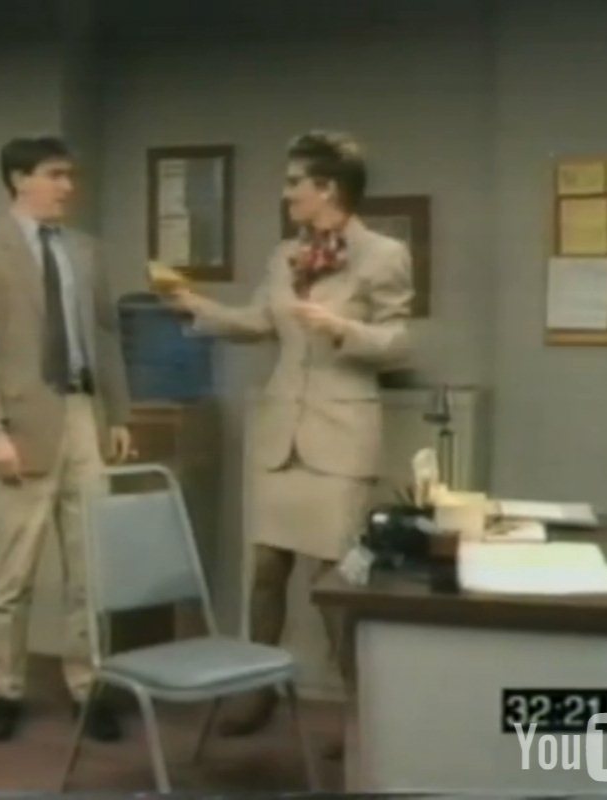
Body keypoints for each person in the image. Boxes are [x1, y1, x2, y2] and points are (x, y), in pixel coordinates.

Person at [164, 131, 413, 741]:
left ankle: (362, 718)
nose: (287, 193)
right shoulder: (285, 256)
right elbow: (258, 321)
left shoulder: (383, 254)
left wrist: (341, 327)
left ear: (329, 188)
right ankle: (258, 693)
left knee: (335, 580)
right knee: (266, 570)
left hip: (340, 436)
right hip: (281, 436)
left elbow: (398, 340)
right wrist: (196, 306)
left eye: (296, 182)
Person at [0, 135, 134, 743]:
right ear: (18, 179)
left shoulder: (85, 250)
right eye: (55, 175)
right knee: (13, 576)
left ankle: (88, 687)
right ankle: (6, 689)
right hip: (22, 427)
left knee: (91, 571)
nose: (67, 187)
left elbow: (105, 336)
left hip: (85, 415)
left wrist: (118, 415)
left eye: (69, 175)